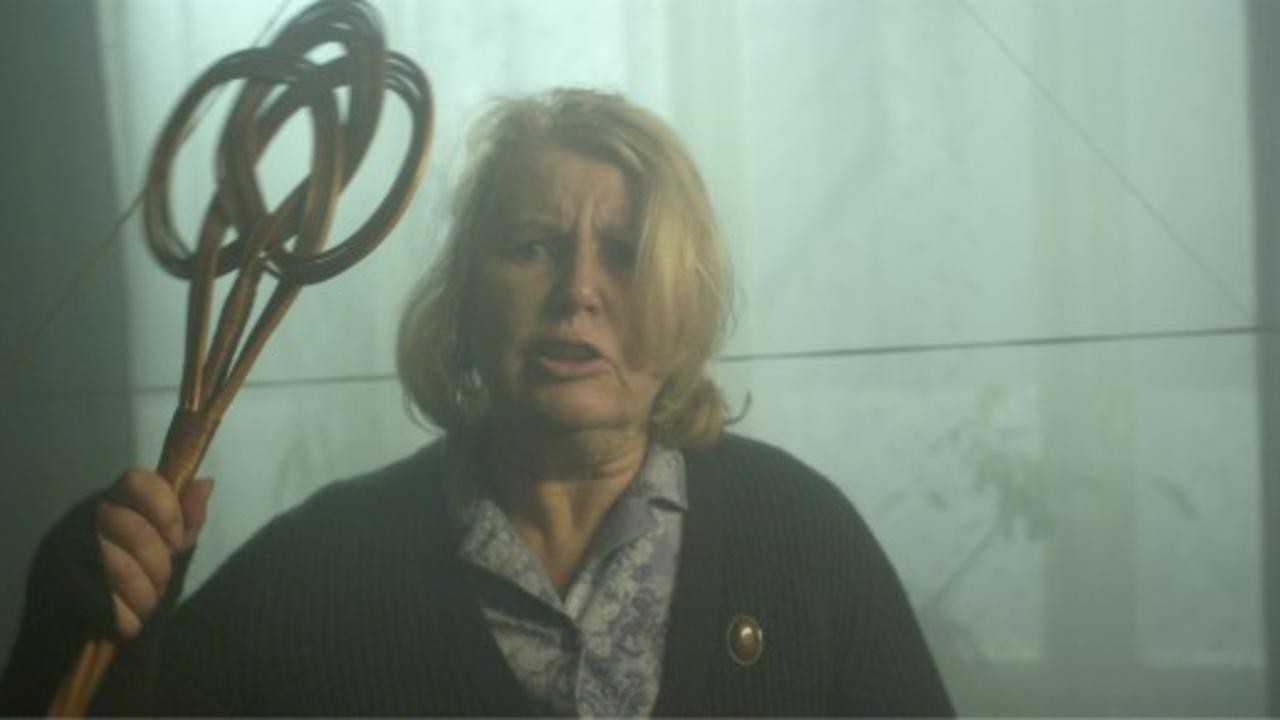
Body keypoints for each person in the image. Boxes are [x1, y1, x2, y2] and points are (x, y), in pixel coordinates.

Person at [1, 88, 953, 716]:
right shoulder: (319, 569)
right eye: (532, 246)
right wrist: (85, 622)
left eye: (625, 255)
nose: (578, 291)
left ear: (684, 301)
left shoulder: (800, 539)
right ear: (462, 298)